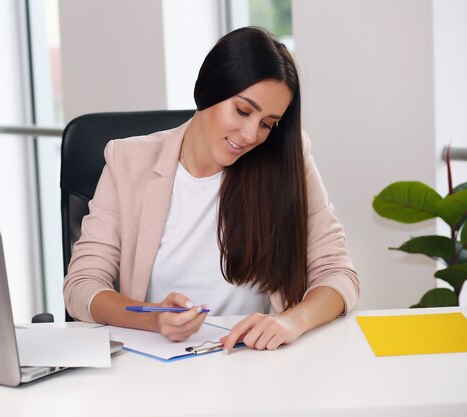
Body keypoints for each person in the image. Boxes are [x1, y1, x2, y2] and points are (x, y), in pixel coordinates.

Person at [63, 26, 359, 352]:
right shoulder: (127, 161)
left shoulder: (286, 158)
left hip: (257, 361)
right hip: (156, 368)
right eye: (243, 111)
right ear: (208, 91)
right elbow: (82, 286)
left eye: (267, 124)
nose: (250, 135)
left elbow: (337, 273)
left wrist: (291, 320)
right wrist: (153, 317)